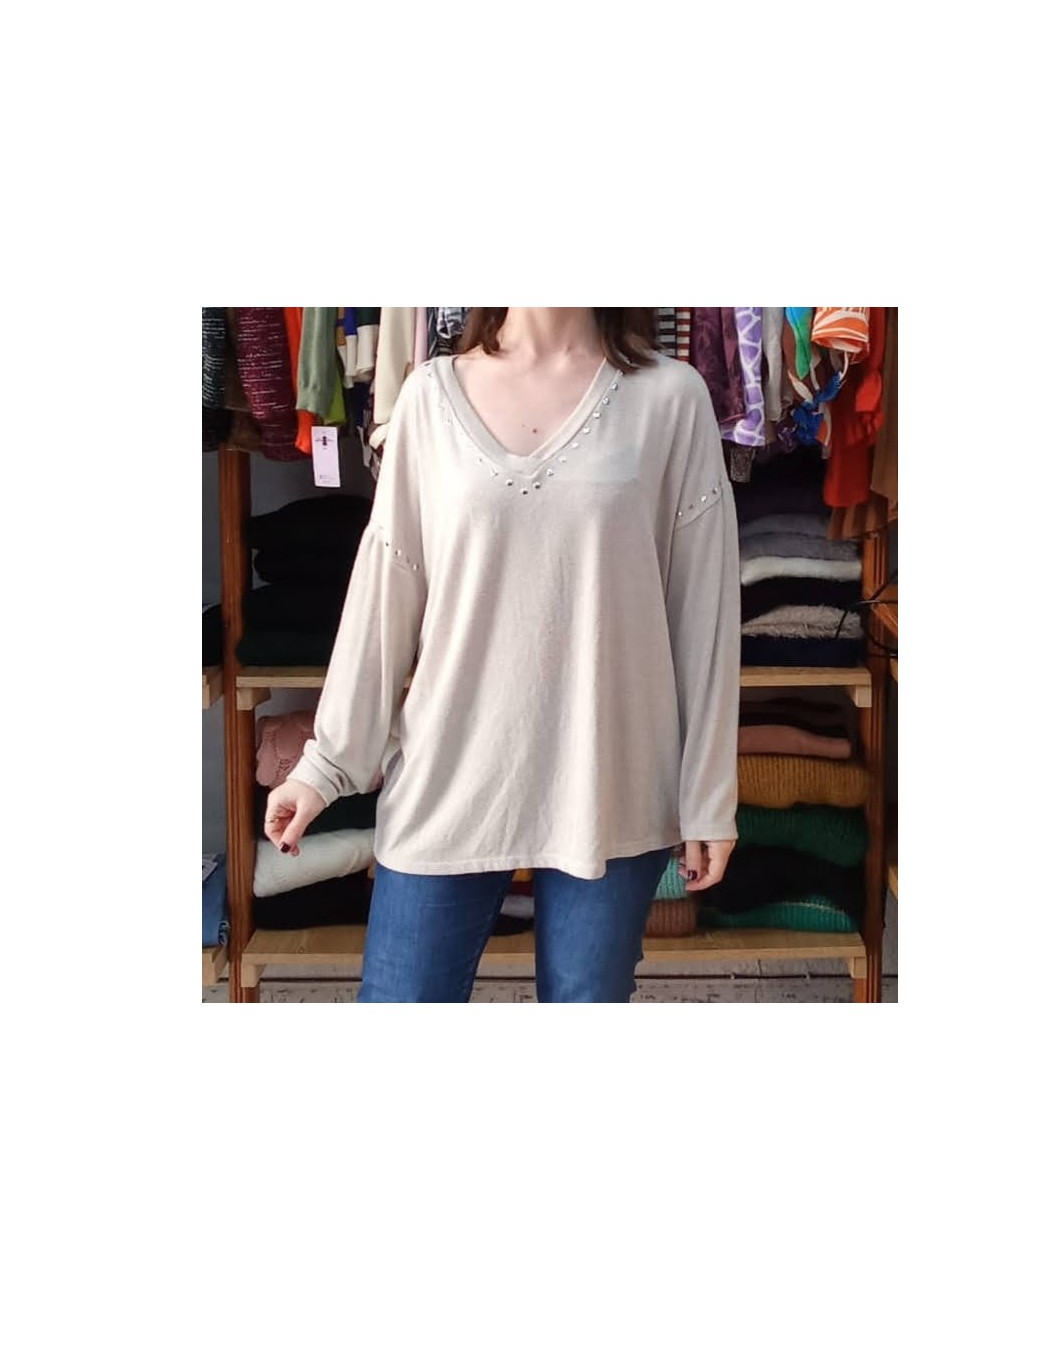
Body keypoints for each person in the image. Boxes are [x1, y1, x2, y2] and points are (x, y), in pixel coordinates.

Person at [263, 308, 741, 1002]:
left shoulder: (670, 398)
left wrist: (707, 797)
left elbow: (703, 612)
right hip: (447, 777)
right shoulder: (429, 397)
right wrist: (327, 765)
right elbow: (385, 594)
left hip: (609, 783)